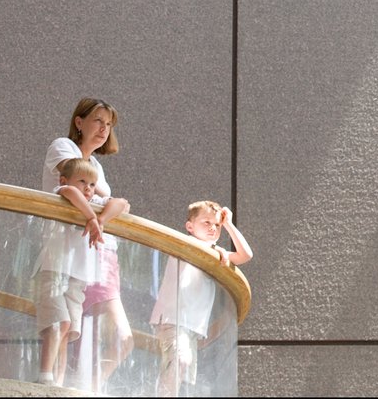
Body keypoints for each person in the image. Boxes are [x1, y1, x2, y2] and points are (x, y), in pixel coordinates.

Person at [34, 98, 132, 388]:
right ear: (80, 122)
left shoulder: (97, 167)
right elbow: (74, 183)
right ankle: (45, 380)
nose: (104, 129)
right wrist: (96, 211)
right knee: (58, 323)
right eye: (98, 121)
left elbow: (118, 203)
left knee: (69, 328)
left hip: (83, 261)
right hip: (57, 252)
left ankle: (60, 385)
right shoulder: (63, 147)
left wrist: (97, 220)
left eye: (109, 124)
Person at [150, 200, 253, 397]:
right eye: (206, 222)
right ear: (190, 226)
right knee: (180, 361)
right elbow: (194, 248)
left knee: (182, 373)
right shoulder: (184, 244)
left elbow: (245, 255)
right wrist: (216, 250)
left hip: (191, 327)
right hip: (173, 319)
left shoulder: (215, 253)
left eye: (217, 225)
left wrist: (229, 224)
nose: (213, 228)